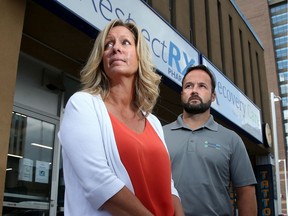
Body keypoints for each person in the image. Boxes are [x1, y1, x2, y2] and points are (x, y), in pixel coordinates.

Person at [58, 19, 184, 216]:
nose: (115, 48)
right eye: (108, 44)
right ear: (101, 60)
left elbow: (168, 184)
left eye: (125, 42)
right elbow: (99, 184)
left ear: (139, 56)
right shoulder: (82, 105)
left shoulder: (153, 122)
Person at [163, 64, 257, 216]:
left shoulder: (231, 139)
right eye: (188, 86)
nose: (194, 90)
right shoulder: (159, 134)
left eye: (202, 86)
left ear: (213, 96)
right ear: (181, 93)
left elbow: (246, 192)